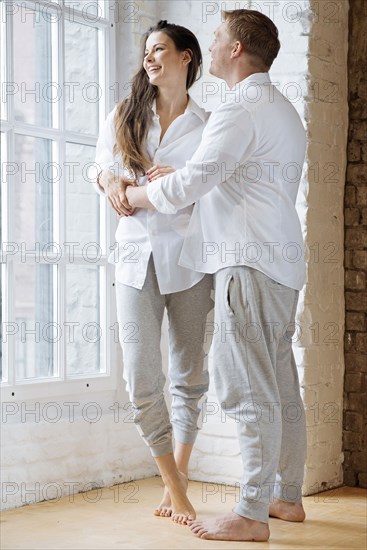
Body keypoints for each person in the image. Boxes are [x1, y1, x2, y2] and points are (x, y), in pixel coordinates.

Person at [125, 9, 307, 542]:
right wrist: (186, 173)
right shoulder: (279, 107)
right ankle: (285, 497)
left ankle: (251, 513)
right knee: (280, 387)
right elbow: (233, 174)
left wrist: (134, 194)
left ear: (234, 50)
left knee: (246, 390)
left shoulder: (236, 109)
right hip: (280, 265)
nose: (212, 41)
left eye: (219, 35)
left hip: (246, 265)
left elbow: (191, 187)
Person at [93, 20, 213, 524]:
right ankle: (175, 486)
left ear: (186, 58)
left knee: (189, 378)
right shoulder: (125, 114)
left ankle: (177, 476)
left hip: (189, 262)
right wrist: (106, 177)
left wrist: (182, 181)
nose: (149, 58)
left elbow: (218, 189)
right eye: (146, 51)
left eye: (160, 49)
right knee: (142, 378)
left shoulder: (208, 125)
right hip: (134, 260)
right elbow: (97, 164)